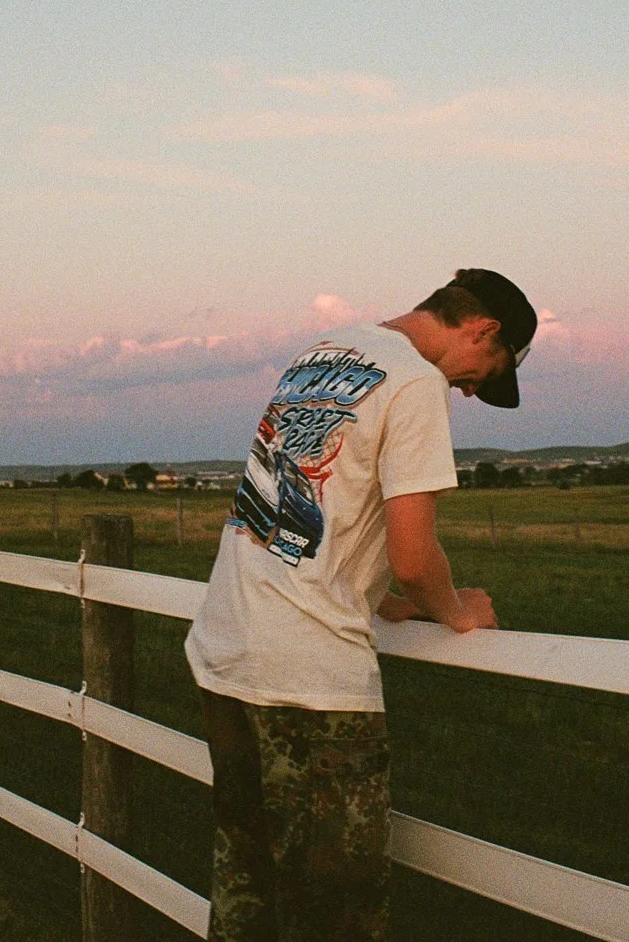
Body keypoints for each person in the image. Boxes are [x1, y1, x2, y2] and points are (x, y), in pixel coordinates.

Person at [185, 268, 537, 941]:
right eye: (486, 372)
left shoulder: (326, 351)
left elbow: (302, 508)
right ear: (483, 329)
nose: (470, 388)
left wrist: (387, 601)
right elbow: (413, 552)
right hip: (309, 683)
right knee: (336, 918)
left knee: (246, 891)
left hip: (227, 653)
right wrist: (456, 609)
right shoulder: (415, 383)